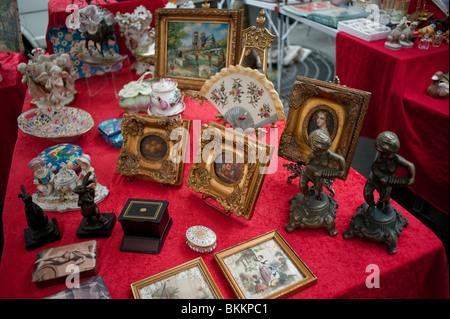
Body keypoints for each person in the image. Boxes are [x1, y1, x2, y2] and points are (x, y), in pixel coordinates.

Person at [364, 131, 415, 215]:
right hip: (374, 179)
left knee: (384, 197)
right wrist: (380, 176)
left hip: (386, 183)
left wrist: (411, 177)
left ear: (393, 151)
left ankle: (386, 203)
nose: (383, 156)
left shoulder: (397, 159)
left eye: (386, 154)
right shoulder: (381, 158)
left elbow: (410, 166)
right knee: (367, 193)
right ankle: (371, 206)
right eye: (382, 153)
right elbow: (374, 168)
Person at [300, 129, 345, 202]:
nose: (317, 152)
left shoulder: (328, 154)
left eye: (320, 150)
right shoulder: (313, 154)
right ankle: (307, 195)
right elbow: (307, 163)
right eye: (315, 150)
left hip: (319, 176)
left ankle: (320, 194)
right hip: (308, 172)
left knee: (318, 188)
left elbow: (341, 159)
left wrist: (342, 170)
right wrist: (314, 171)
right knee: (302, 185)